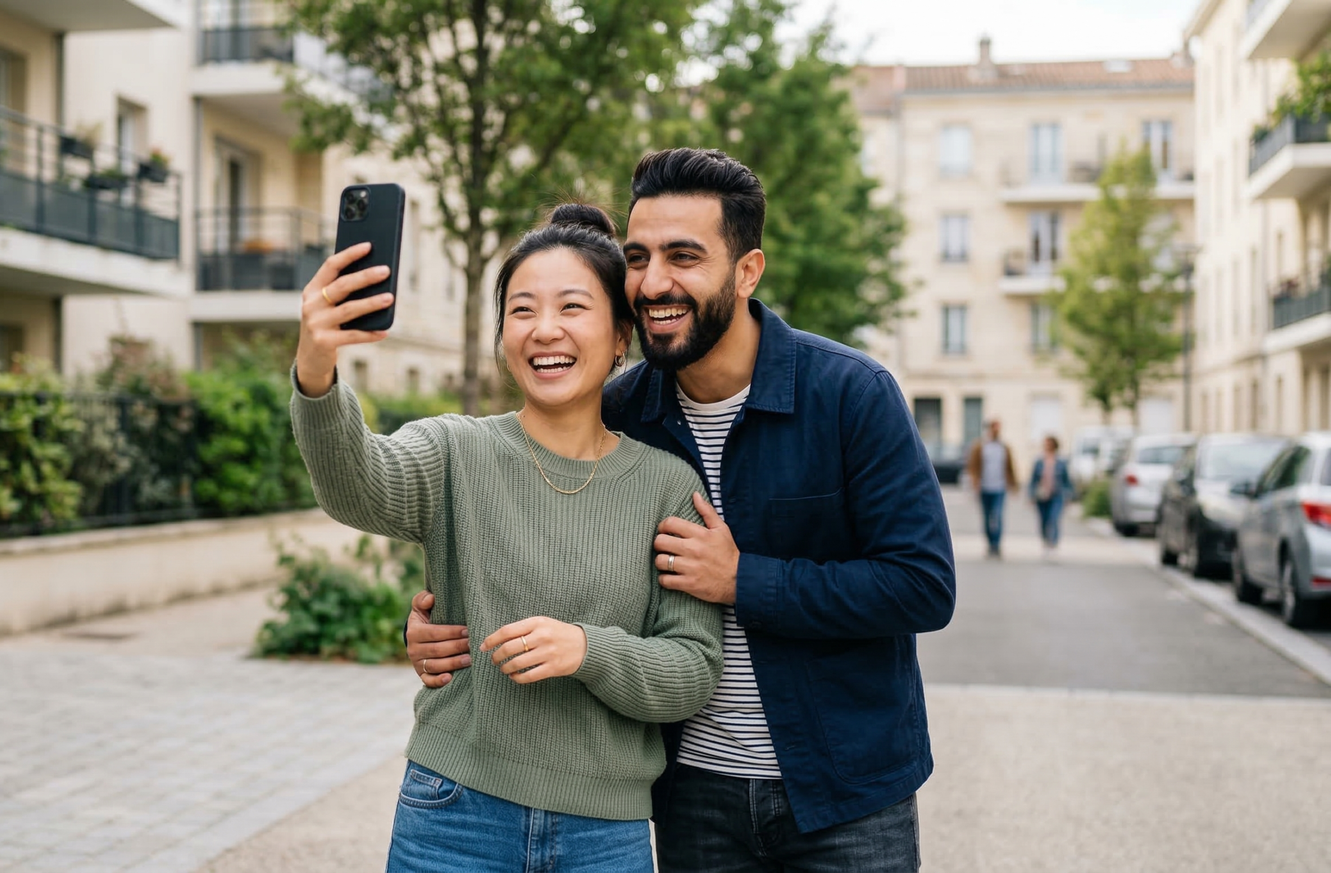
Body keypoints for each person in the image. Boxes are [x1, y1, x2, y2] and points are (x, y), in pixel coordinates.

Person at [407, 148, 956, 872]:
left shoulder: (851, 394)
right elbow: (528, 519)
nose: (654, 282)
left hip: (847, 791)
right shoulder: (620, 410)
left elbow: (922, 583)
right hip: (690, 792)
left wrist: (744, 578)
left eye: (684, 256)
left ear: (747, 270)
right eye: (638, 256)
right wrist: (442, 615)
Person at [291, 204, 723, 873]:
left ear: (619, 335)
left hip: (604, 833)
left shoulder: (666, 485)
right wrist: (318, 369)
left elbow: (691, 671)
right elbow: (356, 485)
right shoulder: (455, 449)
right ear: (501, 336)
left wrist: (586, 648)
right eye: (521, 310)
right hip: (454, 813)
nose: (543, 329)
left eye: (572, 306)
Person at [966, 419, 1017, 559]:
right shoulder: (980, 446)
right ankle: (989, 543)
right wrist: (974, 484)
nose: (996, 431)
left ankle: (996, 544)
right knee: (987, 517)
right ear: (989, 430)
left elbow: (1010, 467)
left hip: (999, 488)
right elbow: (973, 467)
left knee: (998, 515)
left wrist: (1013, 485)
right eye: (994, 428)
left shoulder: (1004, 447)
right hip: (984, 488)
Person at [1030, 435, 1072, 556]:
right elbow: (1033, 480)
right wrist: (1031, 495)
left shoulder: (1061, 462)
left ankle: (1053, 542)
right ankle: (1045, 541)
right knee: (1043, 520)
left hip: (1056, 495)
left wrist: (1069, 495)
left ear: (1054, 445)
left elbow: (1067, 480)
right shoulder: (1039, 461)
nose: (1046, 446)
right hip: (1041, 495)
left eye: (1049, 443)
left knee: (1053, 519)